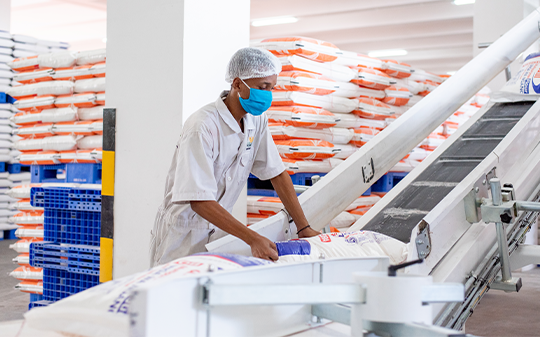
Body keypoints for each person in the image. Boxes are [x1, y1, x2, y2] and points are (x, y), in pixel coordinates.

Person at [149, 47, 320, 267]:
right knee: (173, 293)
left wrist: (303, 227)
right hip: (183, 234)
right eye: (262, 87)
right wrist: (252, 238)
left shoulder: (256, 121)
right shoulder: (202, 127)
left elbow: (276, 173)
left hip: (218, 231)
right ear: (237, 84)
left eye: (272, 88)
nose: (267, 95)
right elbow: (199, 200)